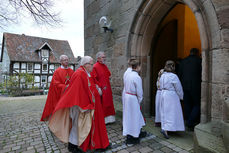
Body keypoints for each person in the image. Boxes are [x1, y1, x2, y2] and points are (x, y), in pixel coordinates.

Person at [48, 56, 110, 153]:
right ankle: (72, 146)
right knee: (77, 126)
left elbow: (88, 86)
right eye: (91, 64)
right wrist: (86, 105)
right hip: (78, 105)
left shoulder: (85, 72)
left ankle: (86, 144)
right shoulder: (79, 74)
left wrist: (96, 88)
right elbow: (77, 92)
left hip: (84, 104)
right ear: (86, 65)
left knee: (81, 126)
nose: (93, 66)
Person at [40, 55, 74, 121]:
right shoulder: (57, 72)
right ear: (61, 62)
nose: (67, 61)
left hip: (69, 94)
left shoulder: (71, 71)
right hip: (60, 94)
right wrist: (65, 87)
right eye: (65, 60)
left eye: (67, 60)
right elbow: (55, 83)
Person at [122, 59, 146, 146]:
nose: (140, 68)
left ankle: (137, 132)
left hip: (127, 96)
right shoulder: (137, 77)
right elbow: (139, 92)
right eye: (140, 66)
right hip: (133, 98)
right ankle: (133, 136)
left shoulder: (128, 74)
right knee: (134, 117)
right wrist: (139, 100)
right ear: (137, 67)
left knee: (130, 116)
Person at [159, 60, 185, 139]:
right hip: (171, 95)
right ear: (173, 67)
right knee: (171, 112)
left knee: (164, 112)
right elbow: (178, 88)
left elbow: (160, 85)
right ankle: (167, 129)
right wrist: (181, 96)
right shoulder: (174, 76)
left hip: (163, 94)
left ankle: (165, 128)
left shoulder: (163, 75)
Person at [178, 48, 201, 130]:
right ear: (197, 53)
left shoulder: (183, 61)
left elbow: (179, 74)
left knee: (187, 104)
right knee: (197, 104)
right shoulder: (199, 61)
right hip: (196, 87)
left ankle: (188, 120)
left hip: (184, 86)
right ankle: (190, 122)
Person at [91, 51, 115, 124]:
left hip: (107, 88)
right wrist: (100, 87)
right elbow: (94, 78)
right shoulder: (95, 66)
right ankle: (103, 120)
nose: (105, 58)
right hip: (101, 89)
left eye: (105, 57)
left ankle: (110, 119)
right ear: (98, 58)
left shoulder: (104, 66)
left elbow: (108, 74)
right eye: (103, 57)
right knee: (103, 103)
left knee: (109, 102)